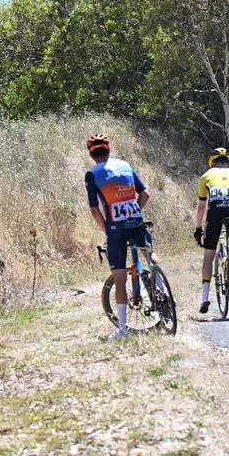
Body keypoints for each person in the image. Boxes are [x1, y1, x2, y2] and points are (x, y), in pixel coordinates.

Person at [85, 133, 151, 340]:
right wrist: (135, 211)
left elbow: (95, 209)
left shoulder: (92, 174)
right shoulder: (125, 165)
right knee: (150, 256)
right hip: (137, 221)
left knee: (120, 279)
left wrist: (107, 230)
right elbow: (145, 194)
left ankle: (122, 329)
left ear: (91, 154)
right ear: (109, 150)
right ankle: (161, 289)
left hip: (116, 228)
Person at [195, 148, 229, 313]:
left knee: (208, 255)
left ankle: (205, 298)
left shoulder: (206, 176)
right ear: (228, 163)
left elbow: (201, 207)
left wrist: (198, 229)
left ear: (213, 163)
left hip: (215, 212)